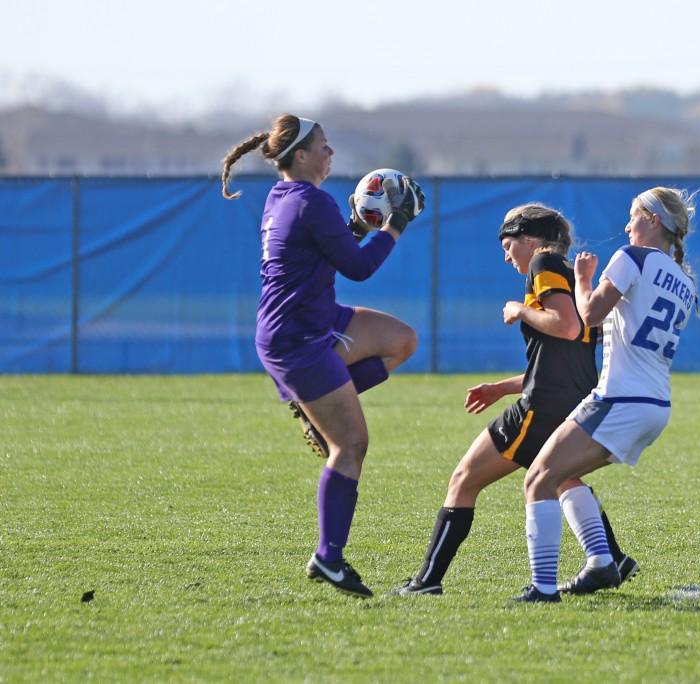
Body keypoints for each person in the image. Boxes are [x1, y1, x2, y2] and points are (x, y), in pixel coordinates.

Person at [221, 113, 424, 598]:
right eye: (325, 146)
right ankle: (328, 559)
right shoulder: (309, 200)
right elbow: (357, 268)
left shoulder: (286, 197)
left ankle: (315, 410)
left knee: (401, 341)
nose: (331, 153)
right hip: (298, 338)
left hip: (315, 321)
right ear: (302, 155)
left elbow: (327, 250)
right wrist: (394, 226)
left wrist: (354, 226)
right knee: (351, 445)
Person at [389, 204, 638, 596]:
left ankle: (427, 582)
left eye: (508, 245)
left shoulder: (543, 263)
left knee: (463, 480)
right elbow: (560, 361)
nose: (507, 256)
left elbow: (568, 328)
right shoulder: (570, 272)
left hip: (544, 405)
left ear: (530, 238)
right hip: (572, 400)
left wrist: (519, 309)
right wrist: (499, 388)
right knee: (559, 478)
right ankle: (610, 559)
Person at [514, 187, 697, 603]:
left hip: (621, 398)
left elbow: (589, 316)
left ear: (653, 220)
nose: (626, 226)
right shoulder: (685, 280)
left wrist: (582, 280)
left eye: (633, 217)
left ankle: (543, 588)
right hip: (654, 404)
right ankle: (600, 561)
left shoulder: (631, 257)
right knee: (559, 476)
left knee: (538, 478)